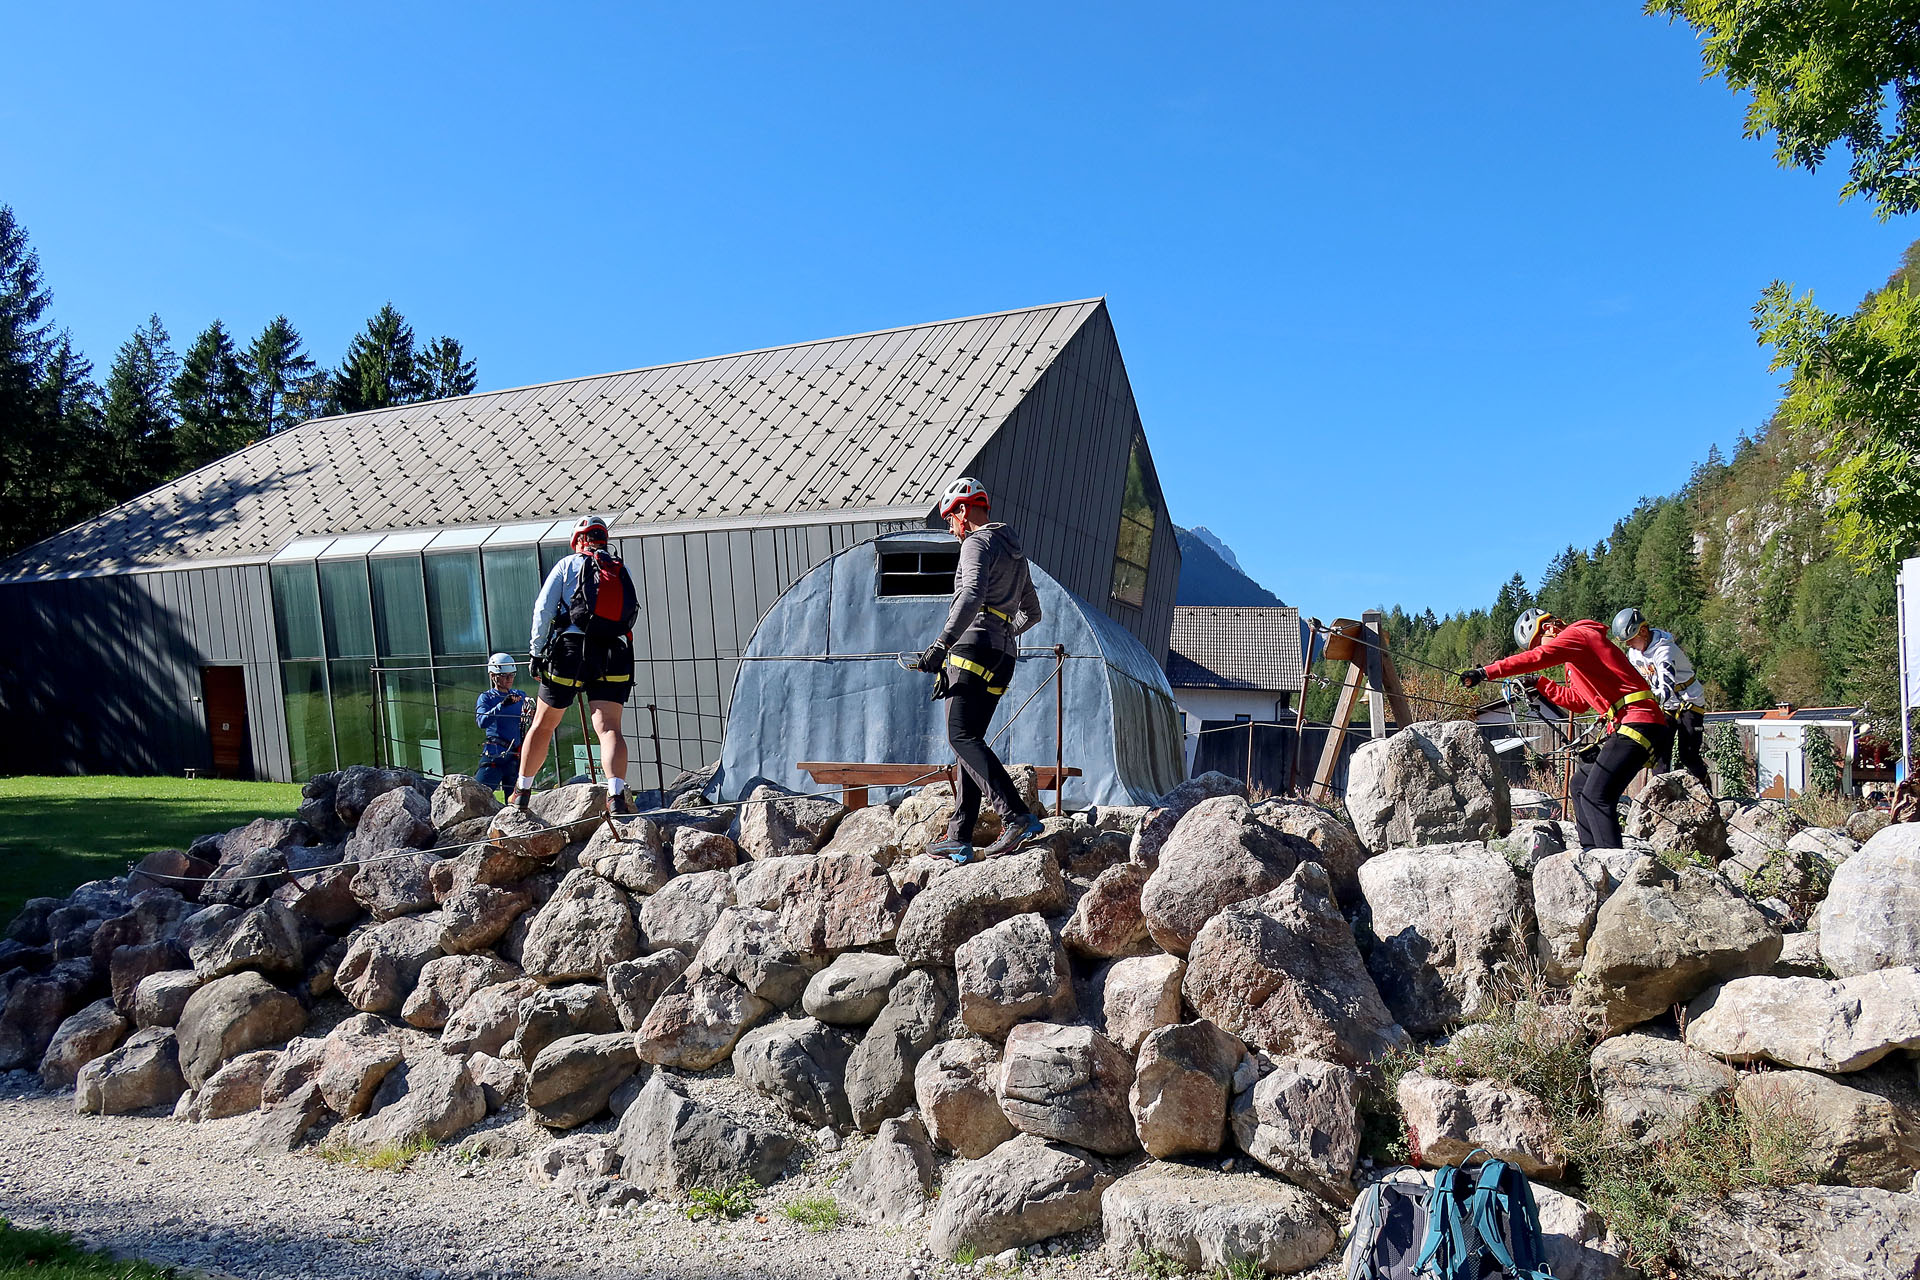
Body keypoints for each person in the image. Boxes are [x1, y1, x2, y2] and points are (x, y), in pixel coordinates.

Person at [912, 477, 1047, 862]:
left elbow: (971, 594)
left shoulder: (977, 542)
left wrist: (942, 645)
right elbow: (1033, 612)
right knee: (969, 741)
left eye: (949, 519)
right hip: (1003, 657)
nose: (951, 530)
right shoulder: (1015, 554)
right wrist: (1005, 631)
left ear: (963, 510)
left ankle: (1015, 815)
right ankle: (959, 834)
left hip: (971, 650)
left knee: (959, 736)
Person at [1461, 609, 1672, 851]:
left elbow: (1540, 657)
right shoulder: (1574, 658)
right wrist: (1540, 683)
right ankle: (1592, 853)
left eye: (1537, 643)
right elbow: (1579, 702)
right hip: (1633, 723)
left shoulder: (1578, 635)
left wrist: (1485, 672)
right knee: (1580, 785)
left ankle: (1611, 860)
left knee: (1596, 795)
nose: (1540, 648)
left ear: (1549, 628)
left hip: (1639, 720)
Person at [512, 516, 639, 815]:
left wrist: (536, 652)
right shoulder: (620, 569)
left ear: (577, 541)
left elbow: (543, 610)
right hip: (614, 652)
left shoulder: (567, 565)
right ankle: (616, 796)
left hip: (571, 651)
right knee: (609, 728)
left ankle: (522, 792)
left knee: (544, 724)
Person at [1611, 607, 1710, 788]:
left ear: (1643, 631)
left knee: (1688, 754)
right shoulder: (1634, 653)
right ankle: (1661, 793)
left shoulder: (1664, 650)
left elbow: (1666, 687)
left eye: (1631, 640)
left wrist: (1646, 703)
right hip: (1665, 705)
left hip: (1688, 700)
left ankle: (1705, 789)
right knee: (1659, 756)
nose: (1628, 645)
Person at [474, 653, 529, 799]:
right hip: (495, 756)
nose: (509, 679)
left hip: (515, 757)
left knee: (516, 802)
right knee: (477, 796)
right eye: (504, 676)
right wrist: (502, 705)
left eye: (512, 675)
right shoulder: (486, 698)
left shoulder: (520, 696)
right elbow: (482, 722)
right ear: (493, 676)